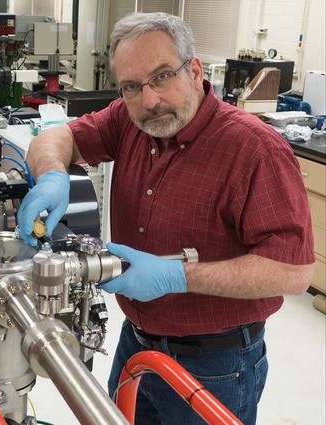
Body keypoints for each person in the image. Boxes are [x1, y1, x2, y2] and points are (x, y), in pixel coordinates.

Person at [16, 12, 315, 425]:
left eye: (161, 77)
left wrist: (180, 277)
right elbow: (57, 136)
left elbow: (293, 272)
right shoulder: (130, 119)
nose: (148, 100)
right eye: (132, 87)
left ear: (193, 70)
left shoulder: (255, 150)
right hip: (135, 344)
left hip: (215, 365)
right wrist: (51, 174)